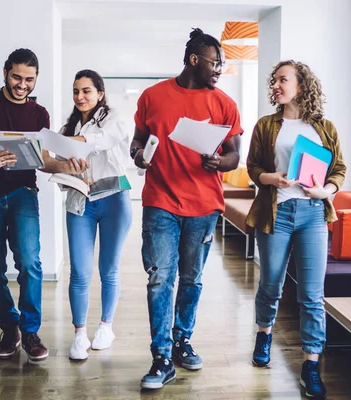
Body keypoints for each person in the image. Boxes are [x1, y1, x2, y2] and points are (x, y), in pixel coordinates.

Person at [131, 28, 243, 389]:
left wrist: (220, 162)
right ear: (194, 60)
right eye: (216, 61)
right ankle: (161, 356)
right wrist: (139, 156)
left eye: (223, 63)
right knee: (161, 276)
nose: (220, 68)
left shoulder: (224, 103)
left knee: (192, 279)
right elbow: (138, 142)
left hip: (203, 205)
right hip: (160, 201)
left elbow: (234, 155)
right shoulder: (153, 96)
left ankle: (181, 341)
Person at [0, 48, 87, 363]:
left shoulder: (39, 113)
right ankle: (9, 326)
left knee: (31, 264)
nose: (22, 85)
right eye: (17, 77)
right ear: (5, 71)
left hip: (23, 192)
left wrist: (67, 167)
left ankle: (30, 330)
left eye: (29, 79)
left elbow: (44, 161)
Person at [246, 60, 346, 398]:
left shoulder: (324, 127)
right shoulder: (266, 125)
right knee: (271, 284)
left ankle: (311, 365)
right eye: (273, 80)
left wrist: (326, 190)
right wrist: (271, 178)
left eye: (282, 79)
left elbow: (339, 169)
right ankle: (263, 334)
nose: (275, 85)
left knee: (312, 295)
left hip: (313, 214)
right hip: (277, 213)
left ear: (301, 85)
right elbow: (252, 167)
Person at [57, 70, 132, 361]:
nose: (80, 97)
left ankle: (105, 327)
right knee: (79, 271)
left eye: (86, 91)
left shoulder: (115, 118)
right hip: (81, 203)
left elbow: (100, 140)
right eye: (76, 91)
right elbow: (60, 160)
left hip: (114, 199)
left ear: (100, 93)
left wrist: (70, 143)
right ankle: (79, 334)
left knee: (109, 269)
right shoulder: (70, 126)